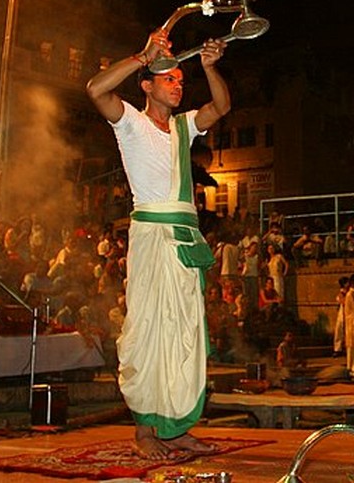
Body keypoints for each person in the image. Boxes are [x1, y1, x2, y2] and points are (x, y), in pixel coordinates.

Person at [86, 23, 228, 458]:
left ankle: (175, 427)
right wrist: (142, 56)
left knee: (183, 334)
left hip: (185, 239)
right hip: (151, 237)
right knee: (147, 332)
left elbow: (221, 106)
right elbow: (95, 89)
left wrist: (209, 66)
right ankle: (146, 431)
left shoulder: (185, 128)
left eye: (181, 81)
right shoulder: (130, 123)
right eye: (170, 79)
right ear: (147, 86)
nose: (178, 86)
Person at [332, 275, 349, 356]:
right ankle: (337, 349)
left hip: (348, 314)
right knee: (339, 331)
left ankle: (345, 348)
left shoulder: (350, 292)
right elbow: (342, 301)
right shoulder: (342, 293)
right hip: (342, 314)